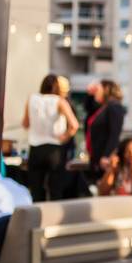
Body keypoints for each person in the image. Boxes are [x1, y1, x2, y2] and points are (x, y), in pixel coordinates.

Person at [22, 74, 79, 202]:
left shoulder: (32, 99)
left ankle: (36, 218)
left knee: (36, 190)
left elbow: (25, 123)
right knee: (55, 190)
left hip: (35, 148)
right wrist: (63, 138)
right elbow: (74, 125)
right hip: (55, 149)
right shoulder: (59, 101)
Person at [86, 79, 126, 179]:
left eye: (98, 89)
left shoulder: (114, 106)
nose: (96, 92)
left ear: (106, 90)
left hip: (104, 159)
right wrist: (90, 94)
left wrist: (106, 155)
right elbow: (88, 109)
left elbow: (114, 133)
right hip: (96, 157)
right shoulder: (103, 107)